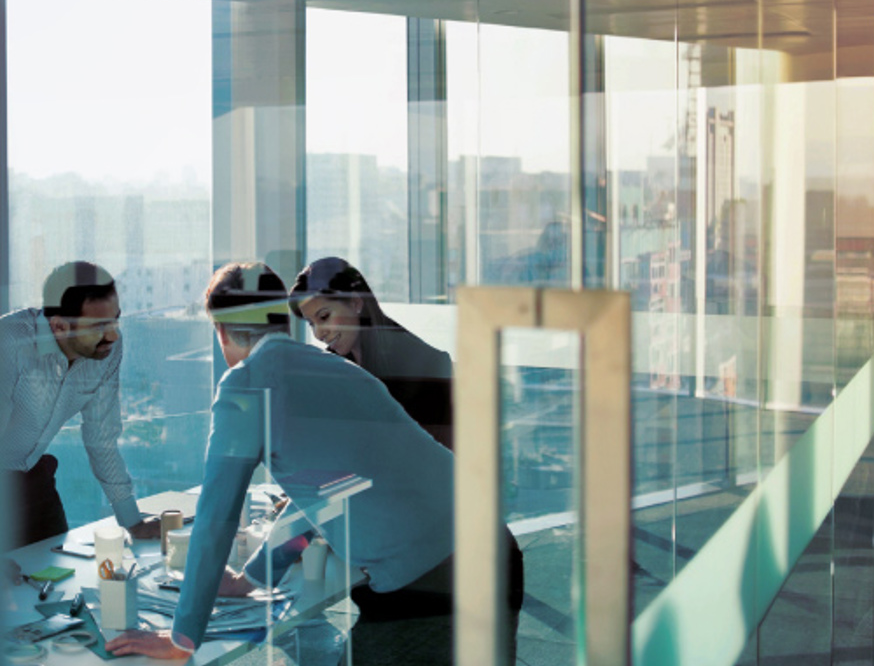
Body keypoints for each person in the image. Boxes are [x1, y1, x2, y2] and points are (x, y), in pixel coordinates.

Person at [106, 263, 522, 664]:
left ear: (220, 330)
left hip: (431, 590)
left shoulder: (246, 384)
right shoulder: (339, 368)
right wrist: (252, 578)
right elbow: (328, 487)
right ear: (282, 323)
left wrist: (183, 636)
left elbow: (218, 515)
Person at [0, 261, 160, 547]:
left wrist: (132, 521)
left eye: (116, 320)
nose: (112, 335)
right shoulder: (8, 343)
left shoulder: (108, 349)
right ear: (59, 325)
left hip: (33, 479)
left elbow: (102, 438)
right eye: (99, 326)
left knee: (56, 573)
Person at [289, 257, 456, 449]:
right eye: (311, 323)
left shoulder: (420, 364)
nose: (318, 333)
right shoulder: (335, 364)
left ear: (355, 303)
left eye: (324, 317)